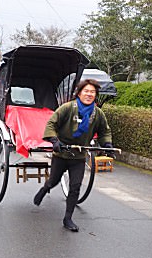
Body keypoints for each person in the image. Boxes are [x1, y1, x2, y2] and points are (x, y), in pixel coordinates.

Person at [33, 79, 114, 232]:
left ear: (95, 95)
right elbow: (52, 123)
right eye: (86, 91)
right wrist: (54, 140)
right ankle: (45, 188)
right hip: (62, 152)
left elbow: (104, 131)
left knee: (75, 186)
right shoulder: (68, 108)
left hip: (79, 156)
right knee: (54, 181)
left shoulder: (98, 113)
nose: (89, 94)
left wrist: (107, 145)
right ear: (79, 92)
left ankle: (68, 218)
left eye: (92, 92)